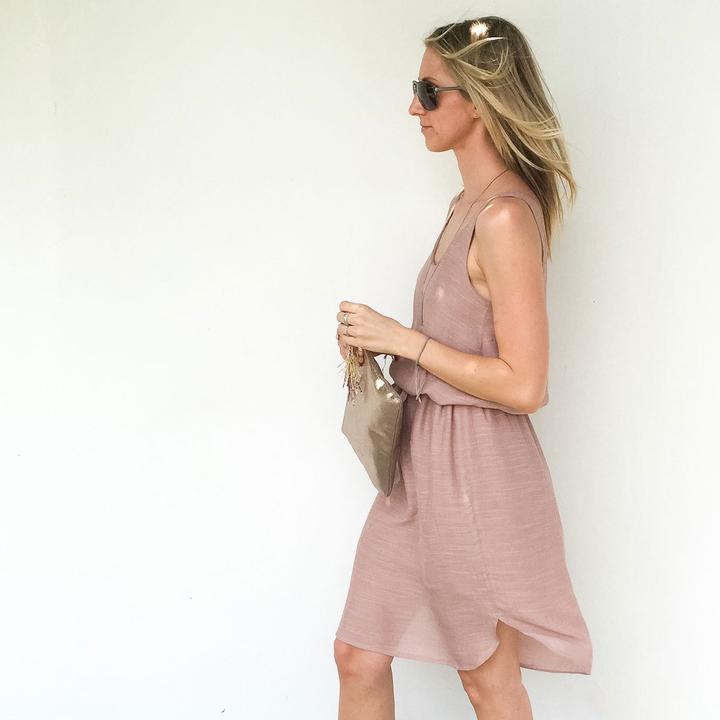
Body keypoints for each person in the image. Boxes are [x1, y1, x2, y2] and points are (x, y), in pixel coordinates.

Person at [333, 16, 592, 720]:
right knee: (358, 653)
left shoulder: (504, 215)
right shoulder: (464, 204)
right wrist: (379, 344)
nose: (413, 106)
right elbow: (461, 341)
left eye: (429, 91)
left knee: (486, 677)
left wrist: (407, 341)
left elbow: (526, 385)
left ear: (478, 99)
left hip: (475, 472)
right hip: (419, 465)